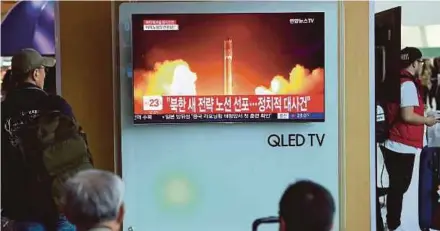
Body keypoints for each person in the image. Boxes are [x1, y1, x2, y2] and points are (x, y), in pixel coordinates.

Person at [1, 48, 76, 230]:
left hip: (20, 205)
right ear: (35, 73)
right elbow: (76, 147)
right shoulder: (57, 105)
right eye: (44, 70)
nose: (44, 74)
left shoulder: (3, 110)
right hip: (58, 201)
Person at [380, 47, 438, 231]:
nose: (420, 65)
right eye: (419, 62)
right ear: (414, 63)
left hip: (395, 141)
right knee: (399, 187)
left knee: (397, 186)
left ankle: (392, 222)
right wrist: (427, 121)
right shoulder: (408, 84)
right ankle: (394, 224)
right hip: (402, 142)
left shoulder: (397, 80)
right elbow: (407, 115)